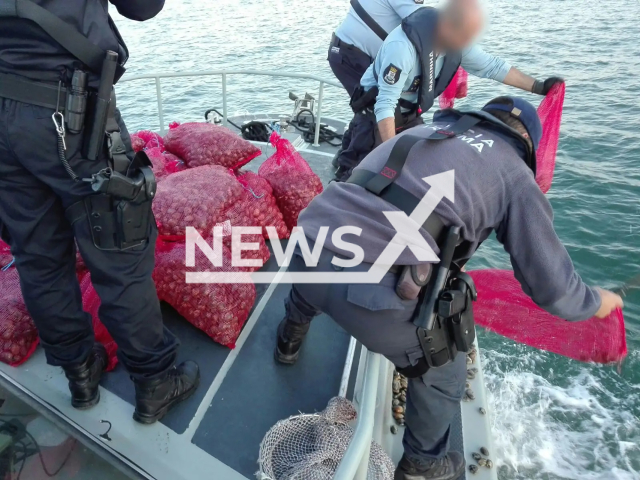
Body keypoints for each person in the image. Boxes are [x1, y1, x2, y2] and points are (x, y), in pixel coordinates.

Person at [273, 96, 624, 479]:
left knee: (321, 263)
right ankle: (422, 466)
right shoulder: (515, 175)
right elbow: (554, 290)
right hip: (366, 293)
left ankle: (289, 337)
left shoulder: (423, 132)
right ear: (527, 144)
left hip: (306, 247)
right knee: (444, 369)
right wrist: (597, 302)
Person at [0, 0, 199, 424]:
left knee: (37, 254)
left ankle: (79, 372)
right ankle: (155, 382)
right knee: (120, 251)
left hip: (4, 114)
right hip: (70, 114)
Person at [333, 0, 564, 181]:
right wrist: (391, 158)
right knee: (358, 170)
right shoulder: (401, 48)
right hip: (376, 112)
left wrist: (538, 86)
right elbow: (384, 106)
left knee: (421, 158)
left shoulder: (457, 41)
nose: (467, 42)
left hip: (409, 110)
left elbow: (492, 66)